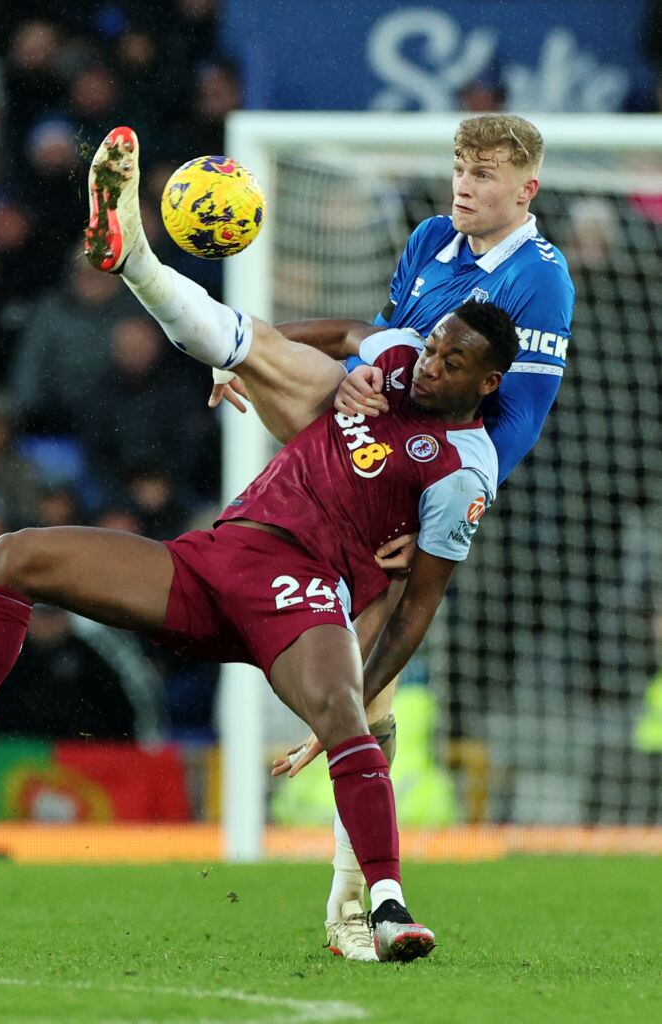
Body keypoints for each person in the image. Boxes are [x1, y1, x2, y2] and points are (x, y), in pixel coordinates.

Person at [0, 128, 520, 964]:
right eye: (434, 344)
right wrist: (262, 361)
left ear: (486, 385)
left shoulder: (461, 466)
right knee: (15, 554)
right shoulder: (396, 358)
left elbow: (417, 602)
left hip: (298, 592)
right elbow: (346, 332)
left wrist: (363, 681)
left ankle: (385, 907)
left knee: (346, 719)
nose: (428, 364)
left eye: (451, 362)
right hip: (211, 561)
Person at [213, 112, 576, 959]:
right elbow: (375, 342)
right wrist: (357, 379)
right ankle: (226, 349)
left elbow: (516, 417)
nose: (464, 184)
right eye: (459, 166)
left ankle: (355, 904)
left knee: (361, 677)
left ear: (525, 189)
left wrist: (438, 514)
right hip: (361, 454)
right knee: (350, 671)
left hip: (421, 487)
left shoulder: (540, 279)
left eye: (484, 173)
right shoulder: (426, 238)